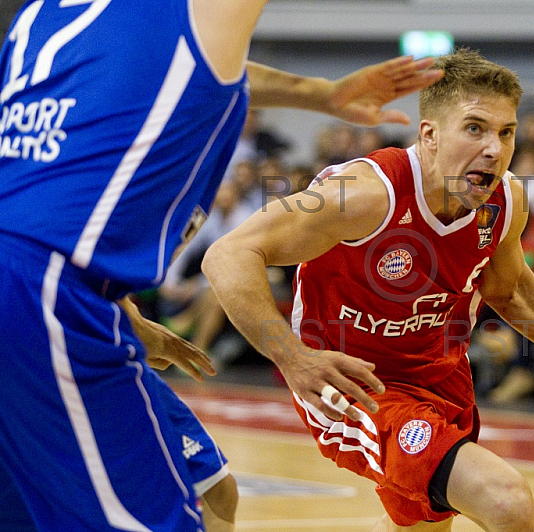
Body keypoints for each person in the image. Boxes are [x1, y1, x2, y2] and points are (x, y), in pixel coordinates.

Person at [0, 0, 443, 530]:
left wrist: (320, 95)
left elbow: (201, 68)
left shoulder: (41, 20)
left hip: (51, 288)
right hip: (44, 290)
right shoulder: (176, 21)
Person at [203, 48, 534, 532]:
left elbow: (513, 293)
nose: (494, 148)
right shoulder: (364, 194)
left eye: (506, 132)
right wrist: (292, 357)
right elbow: (228, 255)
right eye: (475, 128)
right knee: (507, 502)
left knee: (421, 529)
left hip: (442, 380)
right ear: (429, 135)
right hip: (355, 386)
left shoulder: (505, 201)